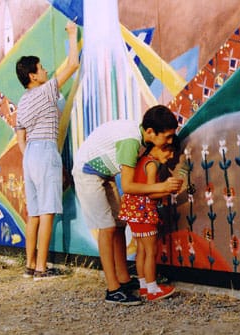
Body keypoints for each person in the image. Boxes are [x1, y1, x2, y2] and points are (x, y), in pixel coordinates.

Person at [72, 105, 183, 305]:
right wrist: (163, 186)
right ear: (150, 132)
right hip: (87, 173)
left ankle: (123, 279)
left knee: (119, 225)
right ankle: (112, 288)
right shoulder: (132, 142)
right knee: (106, 228)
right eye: (166, 137)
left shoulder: (142, 140)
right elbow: (130, 186)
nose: (169, 142)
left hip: (104, 174)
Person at [15, 19, 79, 280]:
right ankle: (42, 268)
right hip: (44, 150)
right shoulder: (45, 92)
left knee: (34, 213)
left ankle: (30, 265)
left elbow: (20, 135)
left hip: (29, 154)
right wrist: (73, 34)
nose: (45, 71)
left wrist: (31, 154)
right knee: (48, 211)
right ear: (33, 75)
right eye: (41, 68)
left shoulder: (22, 100)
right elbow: (73, 64)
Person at [118, 136, 181, 301]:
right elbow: (151, 192)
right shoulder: (152, 165)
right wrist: (169, 190)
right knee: (151, 251)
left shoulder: (141, 160)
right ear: (161, 147)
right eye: (170, 152)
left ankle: (144, 286)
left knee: (141, 251)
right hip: (144, 212)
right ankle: (153, 289)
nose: (171, 157)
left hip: (134, 213)